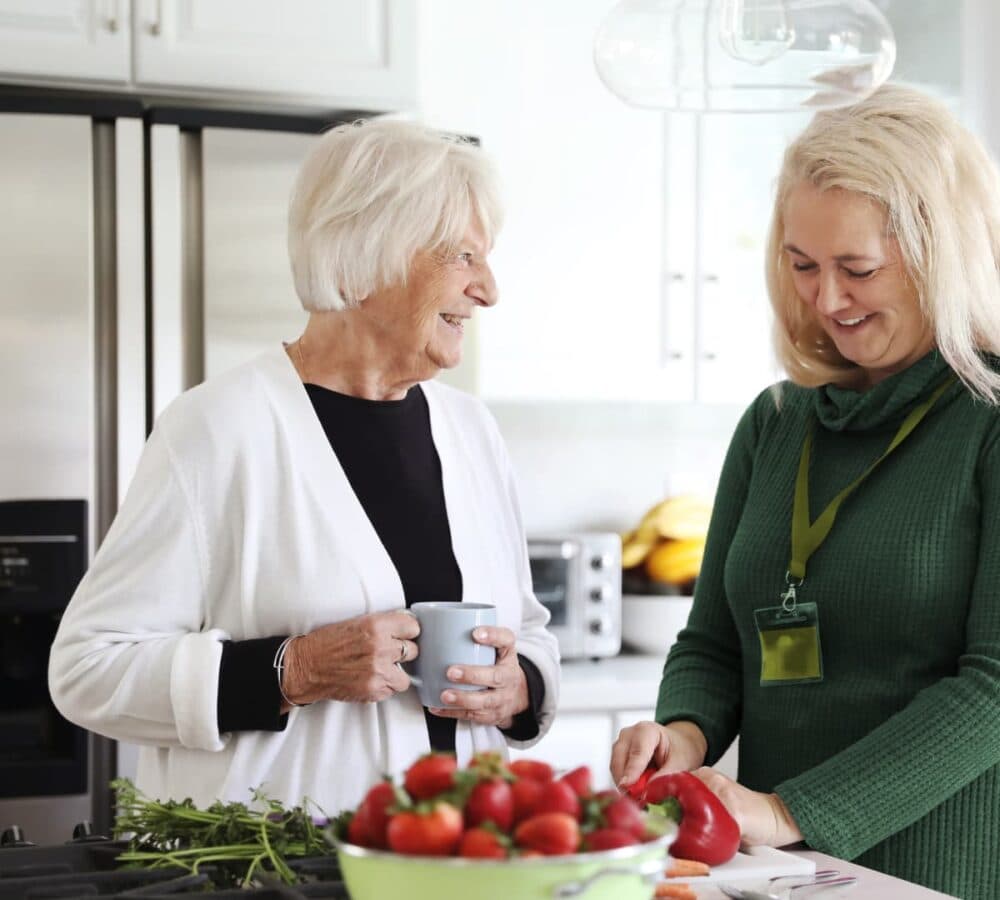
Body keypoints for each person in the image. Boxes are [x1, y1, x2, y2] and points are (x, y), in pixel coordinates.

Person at [48, 118, 559, 816]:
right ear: (365, 256)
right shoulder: (218, 429)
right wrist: (295, 669)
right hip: (274, 872)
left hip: (457, 860)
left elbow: (527, 629)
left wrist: (521, 684)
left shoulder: (471, 431)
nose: (489, 290)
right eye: (462, 257)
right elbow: (86, 670)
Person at [611, 84, 1000, 899]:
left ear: (943, 254)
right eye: (802, 266)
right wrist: (685, 732)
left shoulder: (987, 424)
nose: (827, 302)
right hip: (785, 877)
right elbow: (715, 642)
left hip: (941, 877)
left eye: (857, 269)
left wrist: (788, 810)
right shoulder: (777, 422)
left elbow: (994, 685)